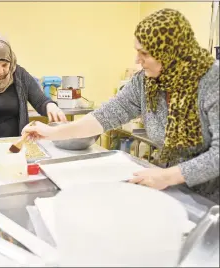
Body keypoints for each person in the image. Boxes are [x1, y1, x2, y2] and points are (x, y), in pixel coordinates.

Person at [22, 9, 219, 204]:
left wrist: (167, 176)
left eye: (145, 53)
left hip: (211, 200)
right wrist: (51, 133)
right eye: (137, 51)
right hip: (172, 191)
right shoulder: (146, 83)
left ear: (171, 53)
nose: (137, 60)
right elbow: (104, 116)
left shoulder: (211, 82)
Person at [0, 32, 67, 144]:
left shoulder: (20, 75)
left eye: (5, 65)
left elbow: (40, 101)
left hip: (16, 144)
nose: (1, 71)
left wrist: (50, 106)